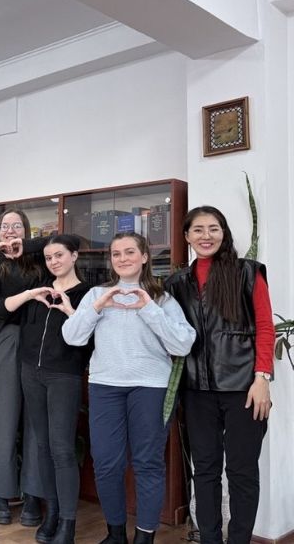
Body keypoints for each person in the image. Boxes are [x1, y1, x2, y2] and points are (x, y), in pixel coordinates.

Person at [62, 232, 195, 544]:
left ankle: (145, 536)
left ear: (144, 256)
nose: (123, 258)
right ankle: (116, 534)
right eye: (116, 253)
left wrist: (148, 308)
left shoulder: (162, 299)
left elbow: (182, 343)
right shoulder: (97, 294)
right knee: (106, 463)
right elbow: (72, 337)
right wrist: (98, 306)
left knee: (148, 463)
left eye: (130, 252)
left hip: (150, 388)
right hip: (105, 386)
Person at [165, 206, 274, 544]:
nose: (206, 236)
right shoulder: (175, 283)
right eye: (198, 229)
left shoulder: (247, 272)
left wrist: (262, 378)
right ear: (187, 236)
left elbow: (265, 326)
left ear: (223, 233)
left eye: (213, 228)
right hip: (196, 391)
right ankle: (210, 539)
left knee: (242, 472)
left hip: (244, 389)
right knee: (205, 471)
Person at [5, 235, 92, 544]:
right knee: (42, 445)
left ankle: (68, 523)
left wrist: (70, 310)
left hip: (64, 376)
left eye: (59, 255)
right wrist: (31, 294)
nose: (53, 261)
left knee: (62, 449)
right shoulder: (40, 289)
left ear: (74, 256)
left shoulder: (87, 294)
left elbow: (89, 338)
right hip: (31, 372)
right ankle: (52, 511)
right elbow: (3, 308)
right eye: (48, 257)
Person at [0, 208, 45, 526]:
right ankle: (0, 493)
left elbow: (69, 242)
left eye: (17, 226)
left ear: (26, 230)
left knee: (36, 421)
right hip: (3, 339)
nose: (10, 231)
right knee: (2, 418)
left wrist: (24, 247)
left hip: (39, 340)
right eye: (5, 226)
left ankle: (33, 495)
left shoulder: (39, 258)